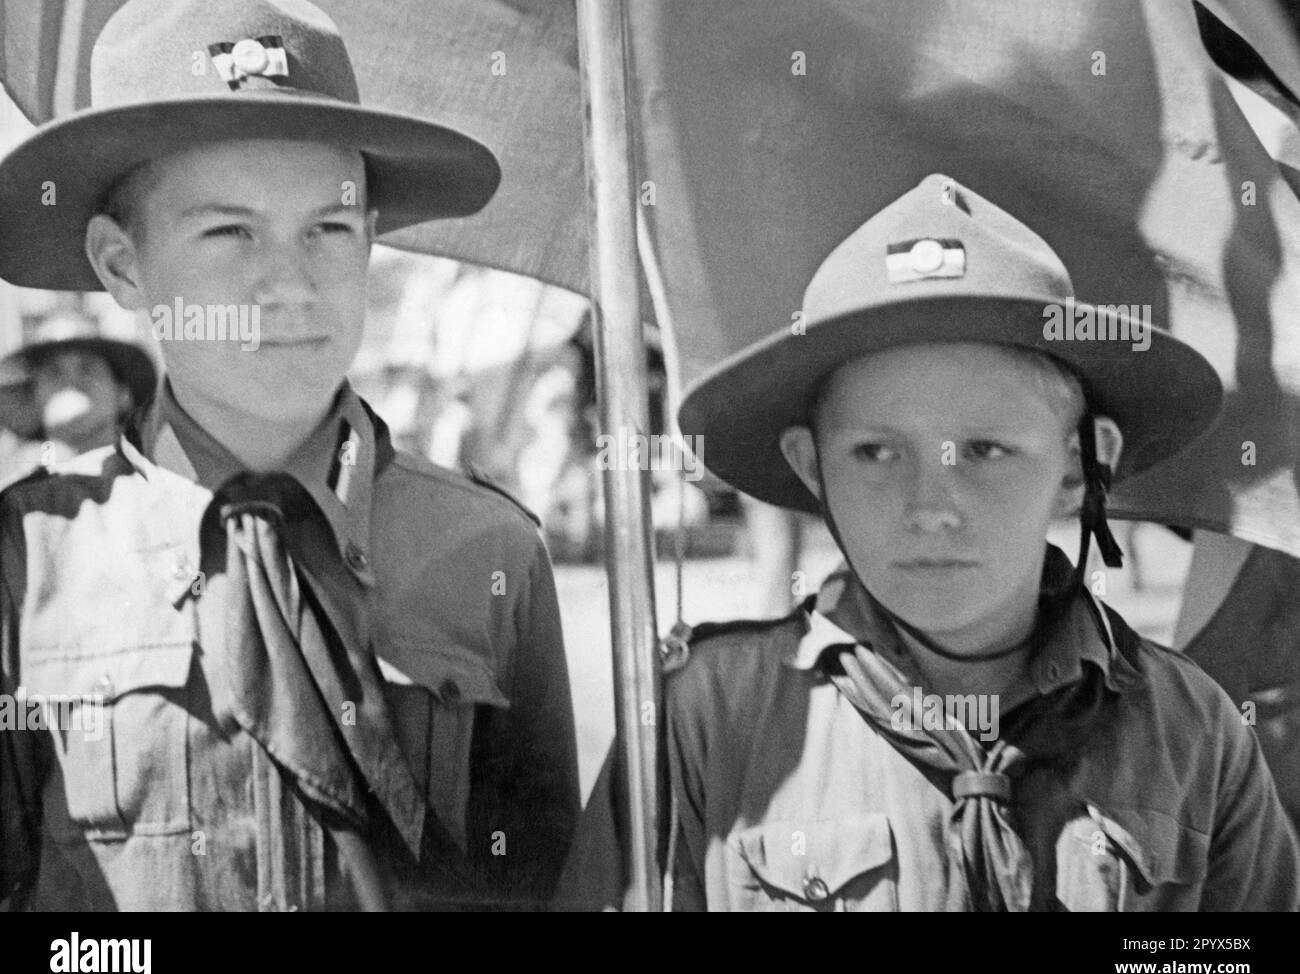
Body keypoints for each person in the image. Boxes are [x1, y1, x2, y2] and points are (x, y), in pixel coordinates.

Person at [0, 0, 579, 910]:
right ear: (121, 267)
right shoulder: (28, 561)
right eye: (230, 232)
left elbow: (543, 888)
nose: (291, 283)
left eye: (331, 228)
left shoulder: (491, 553)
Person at [665, 173, 1300, 911]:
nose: (932, 509)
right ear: (812, 466)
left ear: (1078, 464)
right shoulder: (706, 718)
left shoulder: (1191, 731)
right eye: (876, 452)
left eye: (986, 450)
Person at [0, 314, 157, 482]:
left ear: (122, 395)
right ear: (34, 399)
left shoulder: (158, 485)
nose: (70, 382)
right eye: (54, 372)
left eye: (87, 369)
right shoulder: (14, 496)